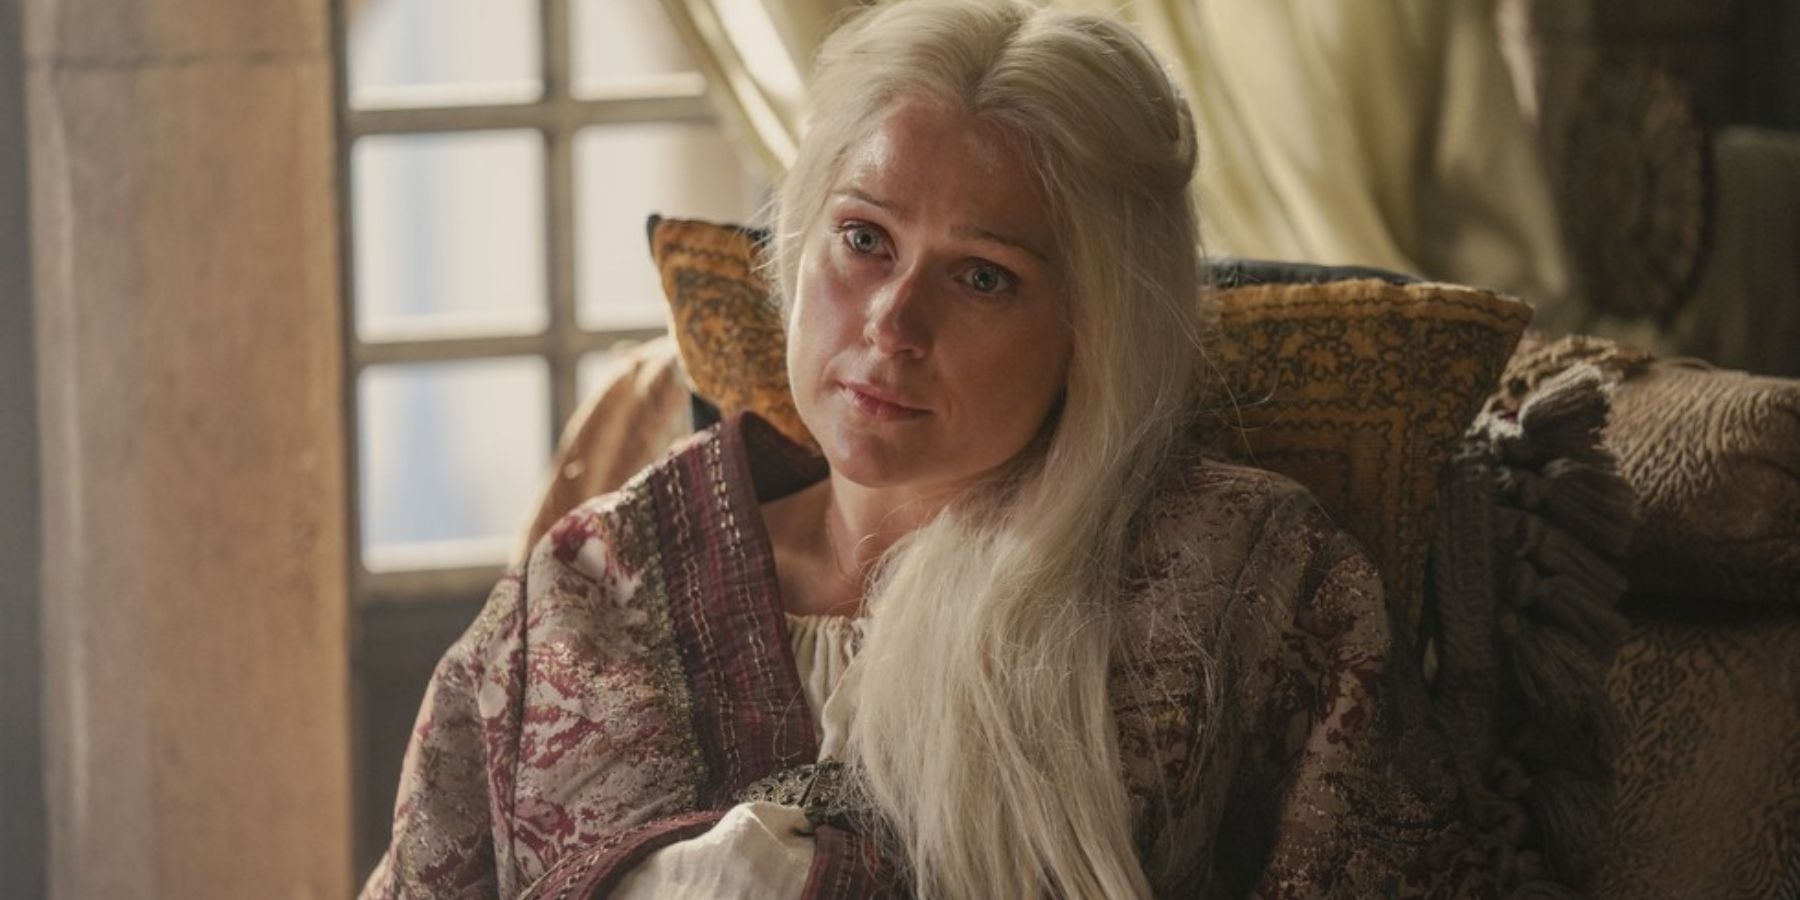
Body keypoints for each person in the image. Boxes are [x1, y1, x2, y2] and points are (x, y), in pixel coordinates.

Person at [362, 1, 1500, 897]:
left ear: (1093, 327)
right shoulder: (586, 588)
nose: (892, 324)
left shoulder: (1245, 581)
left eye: (984, 277)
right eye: (864, 239)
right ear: (799, 242)